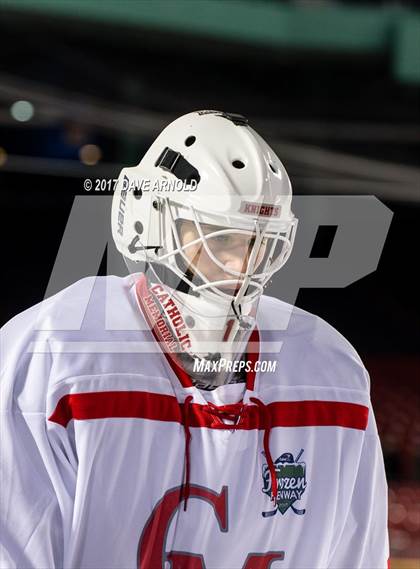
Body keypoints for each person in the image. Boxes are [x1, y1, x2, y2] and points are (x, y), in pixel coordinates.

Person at [0, 110, 389, 568]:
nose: (243, 268)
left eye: (257, 243)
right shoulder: (52, 357)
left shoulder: (331, 371)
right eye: (222, 238)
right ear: (150, 223)